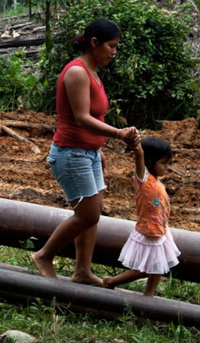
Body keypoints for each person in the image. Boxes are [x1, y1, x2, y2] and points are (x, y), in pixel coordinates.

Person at [33, 18, 140, 284]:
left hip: (88, 153)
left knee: (92, 215)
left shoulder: (93, 73)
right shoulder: (77, 72)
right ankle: (44, 255)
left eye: (116, 47)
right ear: (94, 43)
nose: (114, 52)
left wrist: (98, 147)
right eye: (111, 46)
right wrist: (118, 134)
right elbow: (81, 118)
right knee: (88, 215)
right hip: (71, 154)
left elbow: (95, 117)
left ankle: (82, 271)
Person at [103, 137, 180, 296]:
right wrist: (137, 147)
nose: (167, 168)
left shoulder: (156, 180)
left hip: (160, 230)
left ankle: (149, 295)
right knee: (143, 270)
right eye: (163, 163)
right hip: (148, 232)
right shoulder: (143, 179)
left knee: (158, 265)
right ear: (150, 162)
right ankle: (111, 281)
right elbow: (139, 156)